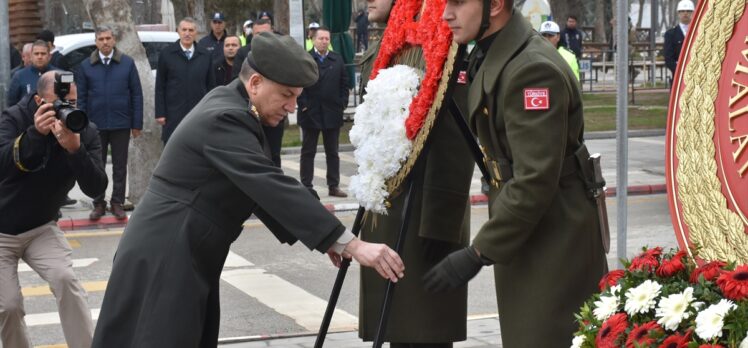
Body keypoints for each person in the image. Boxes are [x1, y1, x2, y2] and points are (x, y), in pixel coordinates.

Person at [91, 32, 405, 348]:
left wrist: (328, 240)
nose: (292, 107)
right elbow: (267, 183)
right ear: (255, 83)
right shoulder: (226, 117)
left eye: (297, 96)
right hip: (168, 254)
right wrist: (351, 244)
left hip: (179, 249)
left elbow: (259, 188)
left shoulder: (233, 108)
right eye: (286, 95)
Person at [427, 1, 608, 347]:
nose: (446, 13)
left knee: (545, 337)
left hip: (555, 236)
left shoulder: (532, 70)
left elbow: (535, 179)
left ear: (494, 5)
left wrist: (478, 252)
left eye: (457, 2)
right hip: (531, 229)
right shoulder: (494, 51)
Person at [356, 0, 474, 347]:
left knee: (422, 332)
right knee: (397, 332)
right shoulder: (393, 41)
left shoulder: (446, 34)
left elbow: (454, 137)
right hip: (391, 211)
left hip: (424, 215)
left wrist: (439, 226)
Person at [0, 70, 107, 348]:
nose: (65, 111)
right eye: (56, 105)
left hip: (41, 228)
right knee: (8, 305)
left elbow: (97, 188)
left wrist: (75, 151)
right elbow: (3, 166)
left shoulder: (84, 129)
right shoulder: (14, 119)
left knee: (66, 281)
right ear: (37, 101)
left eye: (71, 103)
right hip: (1, 232)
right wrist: (34, 134)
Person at [76, 26, 143, 221]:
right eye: (101, 39)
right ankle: (98, 202)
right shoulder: (86, 66)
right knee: (96, 165)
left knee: (120, 166)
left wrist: (136, 123)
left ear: (114, 40)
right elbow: (81, 99)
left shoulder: (127, 64)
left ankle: (117, 202)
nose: (105, 42)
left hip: (121, 122)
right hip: (94, 125)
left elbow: (136, 94)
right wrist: (82, 126)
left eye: (108, 38)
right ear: (96, 42)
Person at [298, 27, 350, 198]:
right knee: (308, 151)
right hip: (310, 112)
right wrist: (304, 104)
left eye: (327, 39)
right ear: (313, 39)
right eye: (321, 38)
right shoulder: (305, 58)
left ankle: (333, 186)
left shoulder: (337, 59)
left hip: (332, 112)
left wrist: (342, 103)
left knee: (332, 152)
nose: (324, 41)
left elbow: (344, 83)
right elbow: (298, 84)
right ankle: (306, 186)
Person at [155, 17, 214, 144]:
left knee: (197, 151)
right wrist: (160, 113)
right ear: (178, 31)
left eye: (191, 30)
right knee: (172, 152)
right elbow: (160, 86)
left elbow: (211, 87)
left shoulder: (205, 55)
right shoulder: (167, 54)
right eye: (184, 30)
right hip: (173, 114)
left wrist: (210, 111)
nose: (187, 33)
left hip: (198, 113)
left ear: (196, 32)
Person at [235, 18, 283, 167]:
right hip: (249, 113)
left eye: (265, 34)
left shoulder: (281, 54)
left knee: (273, 154)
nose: (260, 38)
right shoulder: (242, 53)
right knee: (251, 154)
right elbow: (237, 82)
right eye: (257, 34)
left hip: (273, 111)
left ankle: (275, 187)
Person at [6, 40, 56, 107]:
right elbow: (12, 104)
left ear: (49, 56)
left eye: (43, 53)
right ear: (31, 56)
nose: (40, 57)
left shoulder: (59, 74)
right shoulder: (19, 76)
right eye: (36, 54)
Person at [664, 0, 694, 77]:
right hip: (678, 76)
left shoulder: (699, 32)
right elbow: (668, 59)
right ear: (678, 13)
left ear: (693, 13)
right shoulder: (670, 34)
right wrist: (679, 71)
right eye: (682, 11)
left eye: (688, 11)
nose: (685, 13)